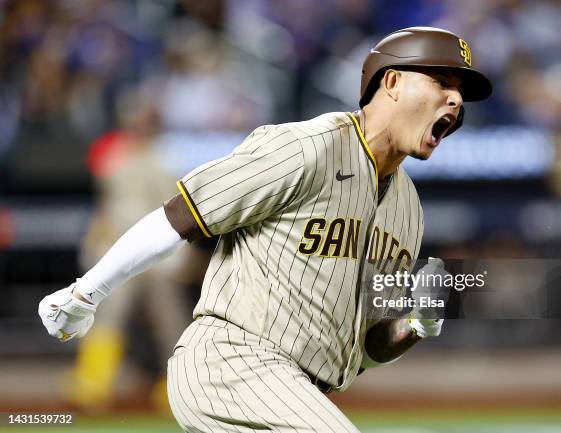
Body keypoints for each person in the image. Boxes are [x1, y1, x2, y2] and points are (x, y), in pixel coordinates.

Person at [39, 27, 492, 432]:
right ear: (391, 82)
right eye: (442, 83)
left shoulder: (408, 210)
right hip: (230, 363)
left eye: (460, 93)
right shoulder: (308, 148)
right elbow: (181, 215)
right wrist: (85, 292)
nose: (455, 100)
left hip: (298, 390)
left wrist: (414, 324)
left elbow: (369, 347)